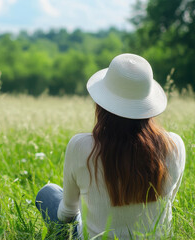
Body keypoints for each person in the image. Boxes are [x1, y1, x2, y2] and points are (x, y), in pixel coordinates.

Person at [35, 53, 186, 239]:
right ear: (147, 105)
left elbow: (67, 215)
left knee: (48, 193)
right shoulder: (174, 145)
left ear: (102, 104)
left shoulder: (80, 146)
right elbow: (167, 200)